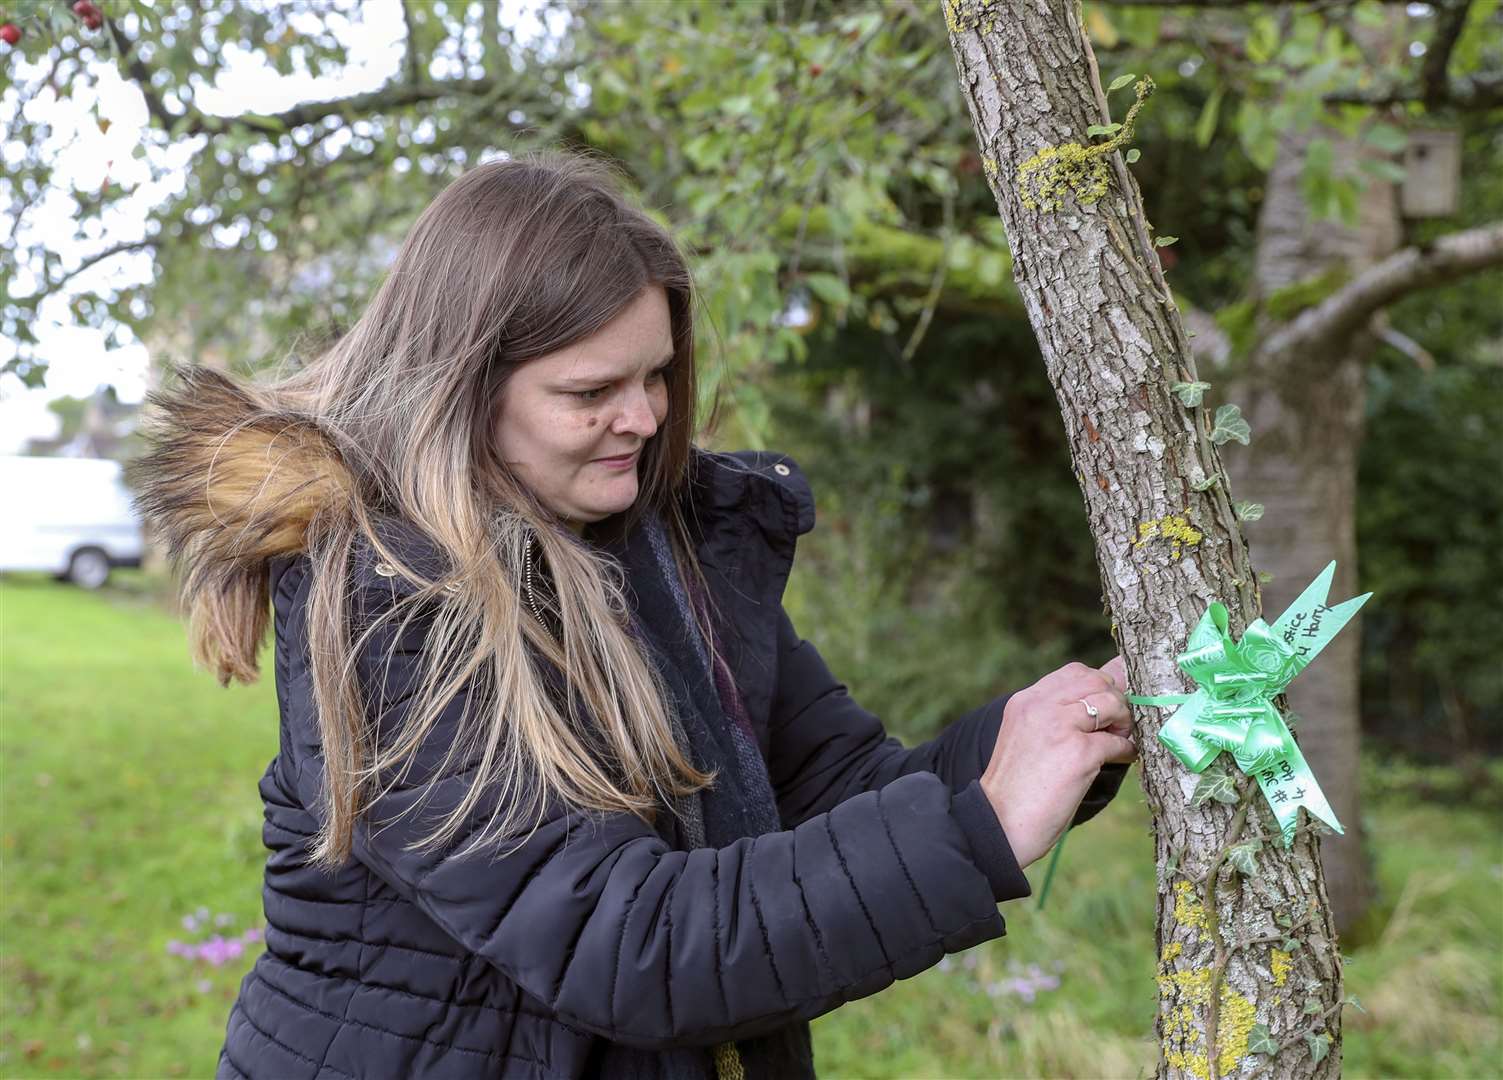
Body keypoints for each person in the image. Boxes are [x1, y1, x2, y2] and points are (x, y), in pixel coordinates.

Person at [131, 150, 1136, 1080]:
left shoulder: (664, 552)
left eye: (656, 375)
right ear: (462, 389)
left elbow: (843, 794)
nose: (648, 417)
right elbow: (632, 945)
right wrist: (990, 821)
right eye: (593, 389)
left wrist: (1061, 734)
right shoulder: (383, 605)